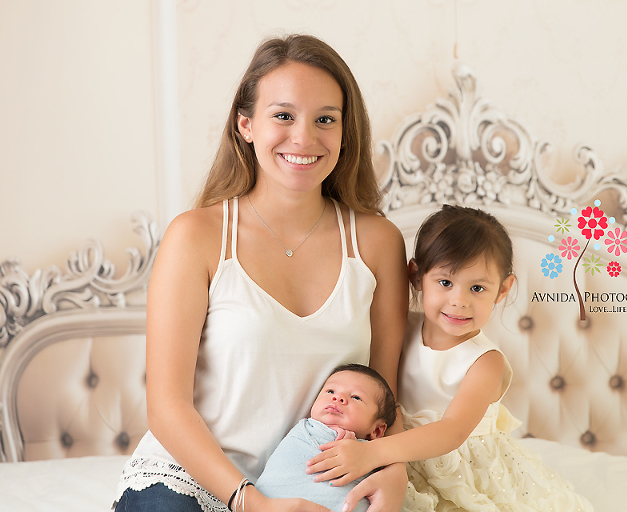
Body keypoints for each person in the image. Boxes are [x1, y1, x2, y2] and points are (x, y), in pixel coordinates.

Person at [113, 34, 409, 512]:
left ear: (344, 130)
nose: (304, 138)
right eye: (284, 116)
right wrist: (251, 502)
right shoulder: (197, 236)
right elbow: (167, 408)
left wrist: (394, 474)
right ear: (246, 124)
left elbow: (386, 397)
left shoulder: (378, 243)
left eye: (325, 120)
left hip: (318, 486)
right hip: (192, 482)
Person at [306, 205, 595, 512]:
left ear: (503, 290)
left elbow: (452, 431)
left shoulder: (485, 362)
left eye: (477, 288)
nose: (459, 301)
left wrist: (373, 454)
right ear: (416, 276)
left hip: (460, 469)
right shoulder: (401, 326)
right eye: (445, 282)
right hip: (400, 457)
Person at [254, 364, 397, 512]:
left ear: (377, 431)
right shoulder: (304, 430)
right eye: (330, 391)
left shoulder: (375, 455)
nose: (338, 397)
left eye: (356, 397)